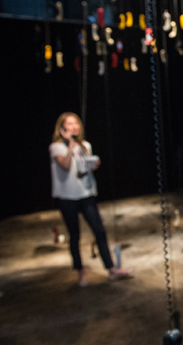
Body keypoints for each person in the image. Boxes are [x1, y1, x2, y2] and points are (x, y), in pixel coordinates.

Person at [49, 112, 129, 286]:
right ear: (62, 129)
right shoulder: (56, 147)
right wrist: (71, 145)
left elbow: (83, 169)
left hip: (86, 194)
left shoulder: (85, 145)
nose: (74, 127)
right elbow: (65, 166)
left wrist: (93, 165)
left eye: (76, 123)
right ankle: (81, 272)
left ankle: (111, 268)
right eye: (70, 124)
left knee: (99, 231)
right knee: (74, 235)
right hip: (67, 198)